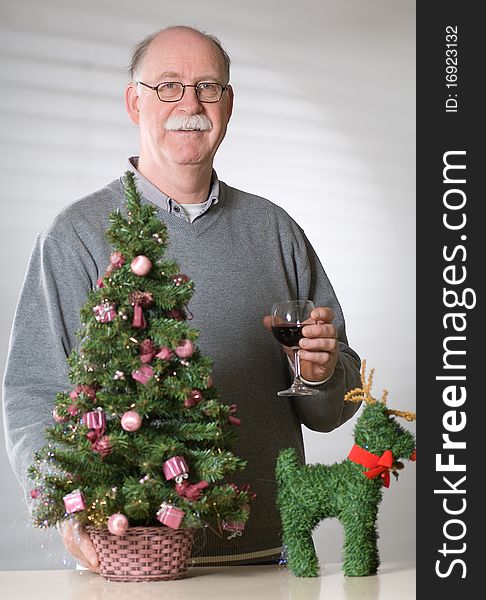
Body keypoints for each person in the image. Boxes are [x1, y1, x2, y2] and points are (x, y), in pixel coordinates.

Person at [2, 25, 361, 571]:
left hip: (266, 557)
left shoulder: (274, 229)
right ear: (134, 101)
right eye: (168, 85)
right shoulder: (75, 235)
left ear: (228, 104)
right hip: (130, 558)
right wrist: (74, 511)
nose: (189, 103)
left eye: (207, 87)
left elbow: (334, 404)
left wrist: (320, 374)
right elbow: (32, 392)